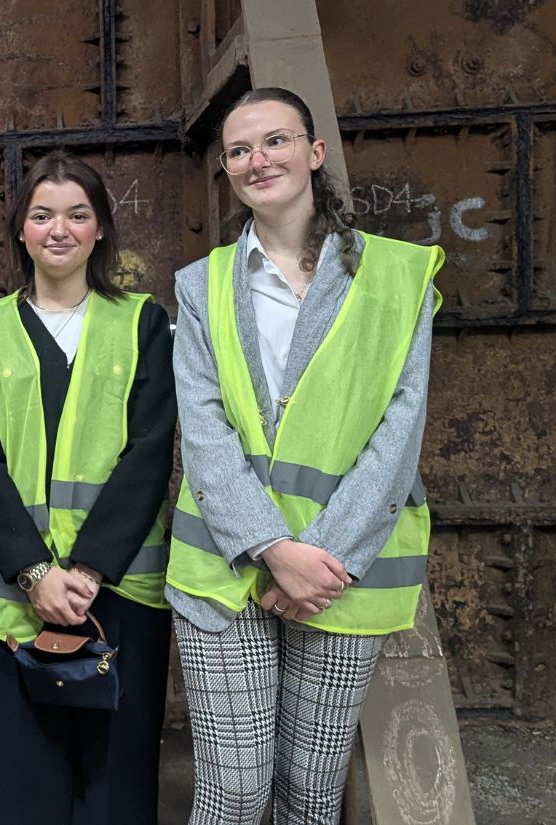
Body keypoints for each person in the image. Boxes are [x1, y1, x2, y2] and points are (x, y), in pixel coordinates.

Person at [167, 87, 444, 824]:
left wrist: (317, 558)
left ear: (314, 153)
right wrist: (269, 551)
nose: (257, 160)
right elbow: (202, 430)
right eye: (239, 150)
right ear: (226, 170)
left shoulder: (397, 276)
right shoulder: (200, 288)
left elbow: (400, 424)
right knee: (233, 790)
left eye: (275, 141)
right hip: (228, 568)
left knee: (311, 793)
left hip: (339, 570)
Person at [0, 149, 176, 825]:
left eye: (78, 214)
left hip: (118, 591)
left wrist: (85, 569)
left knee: (118, 775)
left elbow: (150, 450)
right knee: (26, 780)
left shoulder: (144, 323)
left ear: (102, 228)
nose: (60, 229)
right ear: (20, 228)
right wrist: (34, 573)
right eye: (43, 214)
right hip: (19, 596)